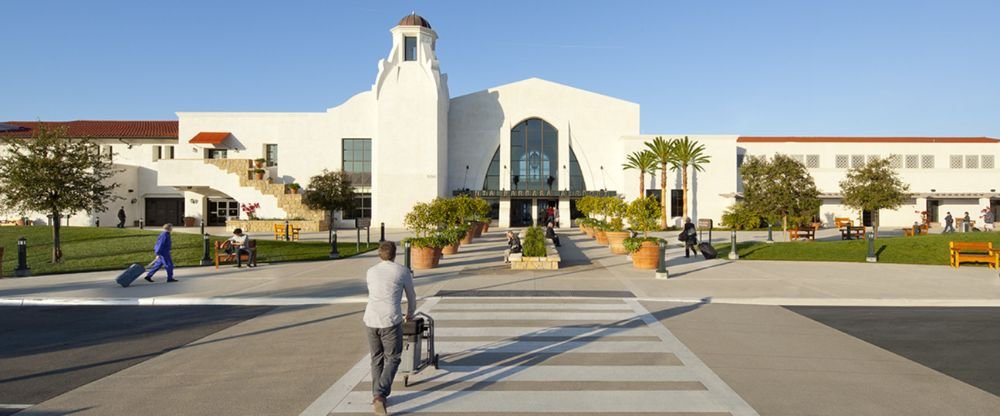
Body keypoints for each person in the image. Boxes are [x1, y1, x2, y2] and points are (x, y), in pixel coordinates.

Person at [364, 241, 416, 416]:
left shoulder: (370, 272)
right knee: (393, 357)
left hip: (370, 318)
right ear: (395, 254)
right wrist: (410, 314)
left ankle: (376, 394)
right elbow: (411, 296)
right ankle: (380, 394)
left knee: (376, 358)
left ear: (379, 254)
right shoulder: (402, 271)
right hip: (390, 320)